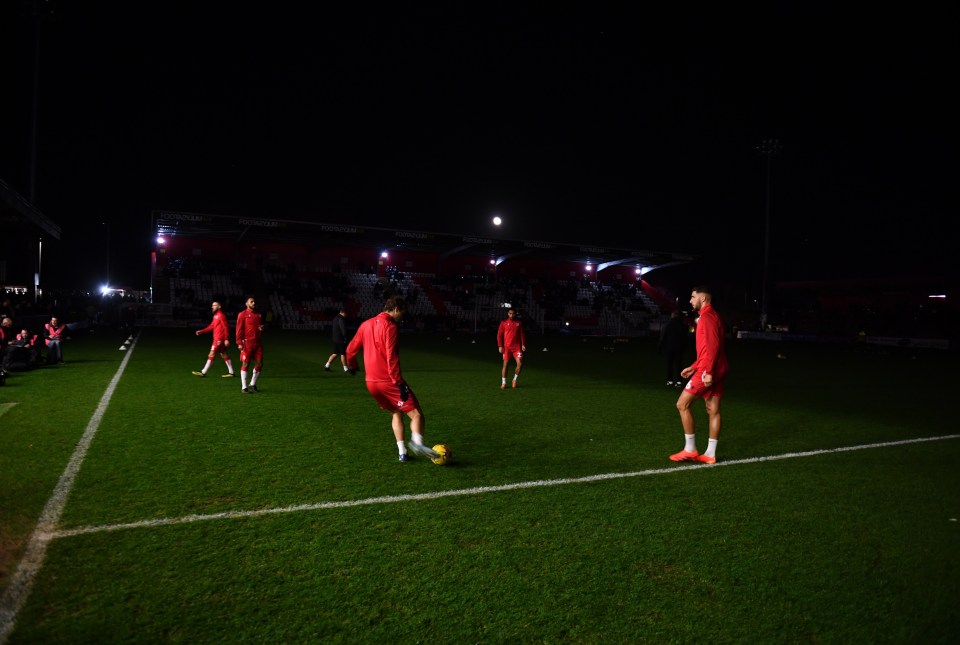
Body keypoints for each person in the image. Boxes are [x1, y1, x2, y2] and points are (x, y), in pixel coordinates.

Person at [345, 296, 438, 462]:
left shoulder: (366, 324)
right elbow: (392, 357)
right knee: (417, 415)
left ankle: (402, 453)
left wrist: (352, 365)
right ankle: (417, 443)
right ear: (395, 309)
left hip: (371, 383)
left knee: (396, 411)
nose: (403, 317)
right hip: (388, 381)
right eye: (402, 313)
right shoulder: (390, 327)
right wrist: (399, 383)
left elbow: (351, 349)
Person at [670, 285, 729, 465]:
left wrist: (707, 372)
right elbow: (708, 349)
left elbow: (712, 347)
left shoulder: (706, 318)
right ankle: (710, 454)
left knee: (682, 404)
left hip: (709, 371)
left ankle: (690, 449)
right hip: (715, 368)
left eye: (693, 297)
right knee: (713, 410)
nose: (690, 300)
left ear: (703, 298)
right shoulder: (713, 316)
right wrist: (694, 366)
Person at [193, 301, 235, 378]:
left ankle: (203, 372)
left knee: (211, 353)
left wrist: (226, 339)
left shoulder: (221, 316)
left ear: (219, 307)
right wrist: (202, 331)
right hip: (218, 339)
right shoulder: (215, 316)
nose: (212, 307)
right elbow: (211, 326)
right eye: (212, 305)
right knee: (223, 354)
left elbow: (226, 327)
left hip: (219, 339)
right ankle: (231, 372)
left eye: (215, 305)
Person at [235, 296, 264, 393]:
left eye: (254, 301)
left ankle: (252, 384)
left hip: (257, 343)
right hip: (247, 343)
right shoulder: (242, 314)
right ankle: (244, 387)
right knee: (245, 363)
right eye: (251, 302)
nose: (254, 303)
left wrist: (260, 328)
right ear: (246, 304)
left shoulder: (258, 315)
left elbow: (258, 327)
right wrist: (239, 342)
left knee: (260, 364)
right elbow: (238, 329)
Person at [496, 307, 526, 389]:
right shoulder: (504, 323)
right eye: (510, 313)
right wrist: (500, 346)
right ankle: (504, 383)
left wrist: (523, 344)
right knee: (505, 365)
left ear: (515, 314)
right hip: (507, 347)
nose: (511, 315)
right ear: (507, 314)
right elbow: (499, 335)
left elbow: (522, 334)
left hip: (517, 347)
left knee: (520, 363)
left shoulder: (519, 323)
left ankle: (514, 380)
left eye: (513, 313)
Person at [658, 310, 688, 387]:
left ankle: (670, 381)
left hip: (670, 347)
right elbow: (685, 338)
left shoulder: (668, 324)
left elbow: (663, 336)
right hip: (679, 348)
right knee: (678, 364)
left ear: (672, 315)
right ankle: (679, 381)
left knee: (670, 364)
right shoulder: (683, 325)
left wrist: (660, 346)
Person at [324, 307, 351, 373]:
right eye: (346, 314)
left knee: (335, 353)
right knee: (343, 353)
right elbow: (343, 330)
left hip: (335, 339)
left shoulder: (335, 318)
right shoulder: (341, 319)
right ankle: (345, 368)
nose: (347, 315)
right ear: (344, 313)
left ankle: (327, 365)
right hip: (341, 339)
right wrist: (346, 337)